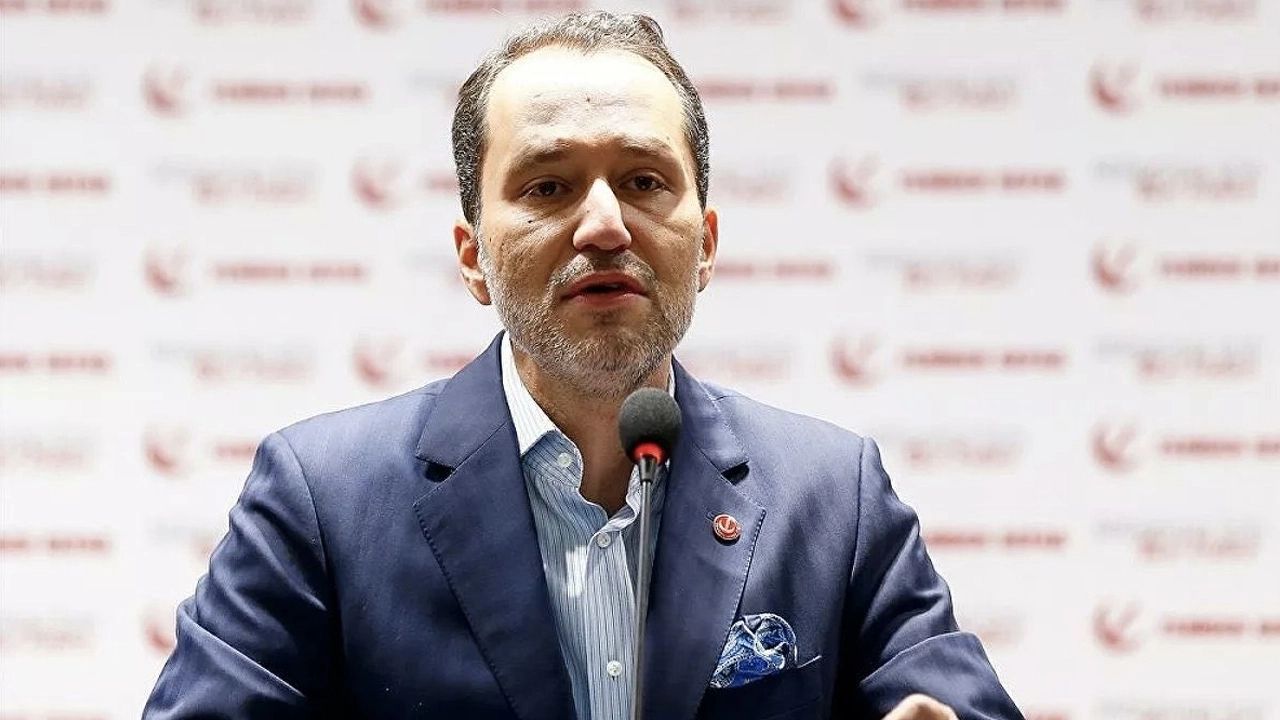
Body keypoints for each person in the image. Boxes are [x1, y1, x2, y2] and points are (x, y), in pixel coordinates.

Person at [145, 11, 1023, 720]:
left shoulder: (832, 496)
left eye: (643, 182)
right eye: (548, 186)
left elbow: (949, 701)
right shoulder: (324, 499)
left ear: (706, 244)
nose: (604, 226)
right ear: (472, 257)